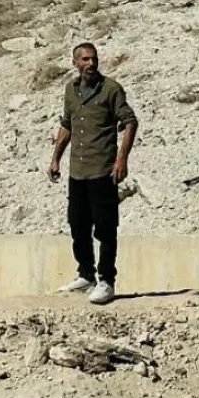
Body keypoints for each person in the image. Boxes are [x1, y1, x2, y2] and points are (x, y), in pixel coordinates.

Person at [48, 43, 138, 305]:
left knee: (106, 229)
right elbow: (67, 124)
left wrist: (122, 159)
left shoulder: (111, 89)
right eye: (85, 59)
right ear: (75, 62)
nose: (91, 63)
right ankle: (86, 274)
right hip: (78, 171)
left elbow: (130, 122)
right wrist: (55, 158)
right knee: (78, 225)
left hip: (102, 170)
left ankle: (106, 280)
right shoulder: (71, 90)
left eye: (94, 59)